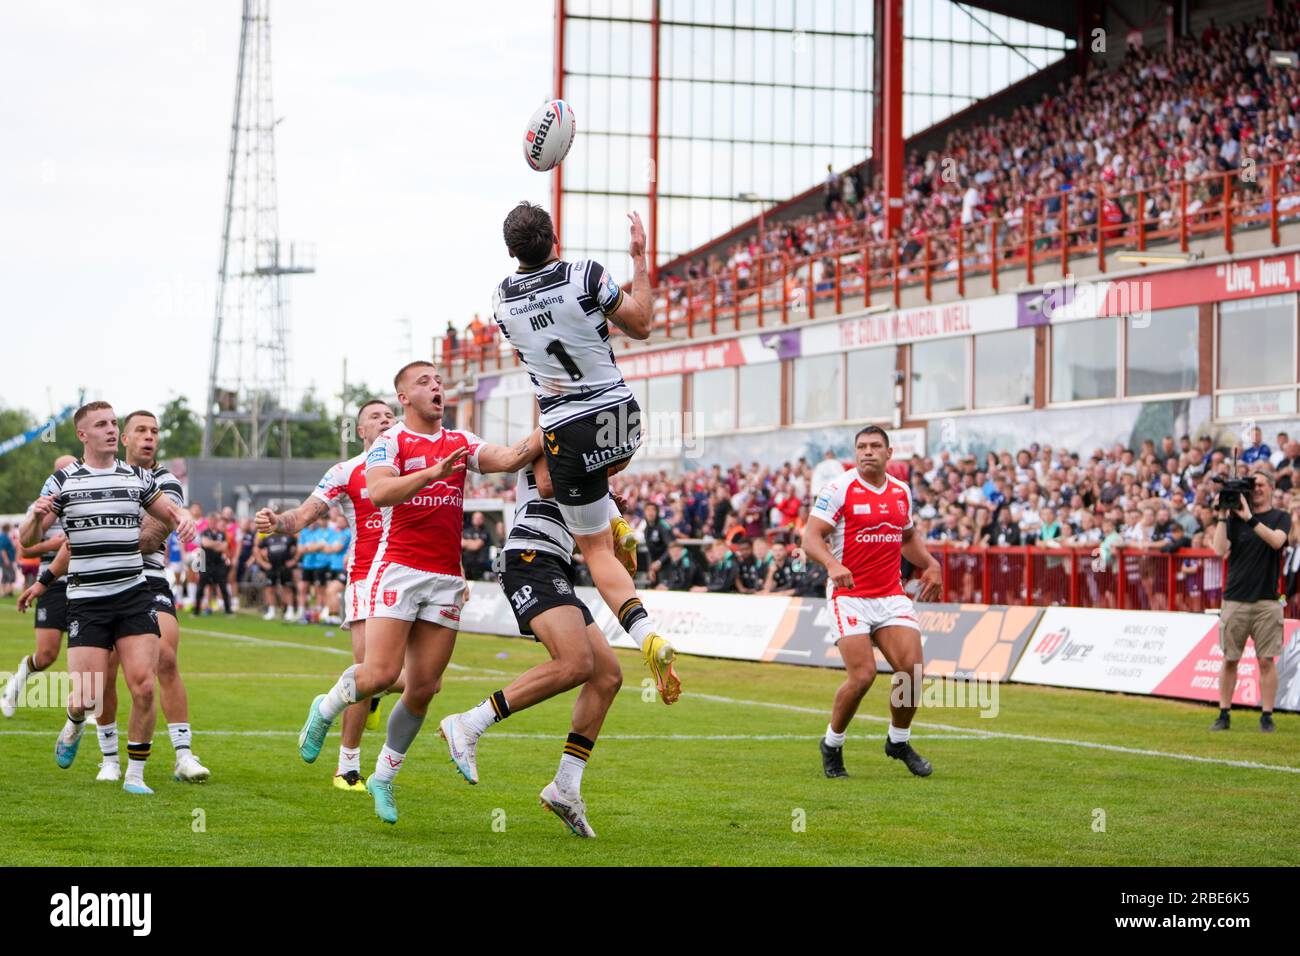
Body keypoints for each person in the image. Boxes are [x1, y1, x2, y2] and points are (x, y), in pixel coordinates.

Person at [295, 361, 542, 825]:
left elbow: (509, 460)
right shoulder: (391, 442)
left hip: (446, 576)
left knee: (425, 687)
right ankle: (324, 708)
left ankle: (384, 778)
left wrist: (554, 419)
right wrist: (431, 473)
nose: (436, 388)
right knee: (381, 673)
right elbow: (381, 491)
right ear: (404, 398)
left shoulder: (461, 441)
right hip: (398, 571)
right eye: (424, 382)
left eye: (438, 382)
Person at [491, 201, 679, 704]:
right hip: (620, 417)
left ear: (511, 251)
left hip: (564, 425)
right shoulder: (586, 273)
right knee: (563, 489)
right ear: (556, 241)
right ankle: (611, 517)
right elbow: (640, 324)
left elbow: (529, 359)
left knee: (589, 541)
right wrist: (640, 259)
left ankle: (644, 632)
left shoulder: (502, 300)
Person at [438, 457, 623, 836]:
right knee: (575, 663)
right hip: (529, 557)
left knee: (607, 676)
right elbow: (548, 481)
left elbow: (607, 545)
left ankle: (565, 787)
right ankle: (469, 723)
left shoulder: (599, 482)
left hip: (557, 567)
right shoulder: (558, 436)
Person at [16, 401, 195, 795]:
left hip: (134, 596)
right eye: (102, 424)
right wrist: (34, 517)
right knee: (87, 696)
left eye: (114, 423)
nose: (111, 430)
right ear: (83, 435)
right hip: (86, 601)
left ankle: (135, 775)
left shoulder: (135, 477)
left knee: (144, 686)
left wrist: (182, 521)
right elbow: (28, 542)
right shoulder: (63, 482)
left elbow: (166, 512)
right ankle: (75, 720)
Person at [256, 398, 397, 791]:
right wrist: (275, 522)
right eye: (375, 417)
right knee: (367, 669)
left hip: (414, 579)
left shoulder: (415, 464)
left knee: (423, 682)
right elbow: (300, 518)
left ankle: (347, 698)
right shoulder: (345, 471)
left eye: (390, 416)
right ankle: (347, 767)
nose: (384, 421)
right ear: (361, 431)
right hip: (368, 577)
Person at [802, 425, 942, 780]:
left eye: (875, 446)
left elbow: (907, 537)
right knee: (863, 676)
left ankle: (898, 741)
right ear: (855, 453)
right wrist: (833, 564)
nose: (868, 451)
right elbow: (811, 537)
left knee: (911, 672)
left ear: (889, 453)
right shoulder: (839, 489)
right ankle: (832, 744)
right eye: (862, 446)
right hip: (849, 597)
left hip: (890, 595)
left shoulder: (901, 492)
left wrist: (931, 564)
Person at [108, 410, 209, 783]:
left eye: (155, 431)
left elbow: (152, 536)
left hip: (148, 577)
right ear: (124, 439)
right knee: (105, 671)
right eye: (141, 430)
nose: (150, 437)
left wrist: (104, 540)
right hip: (102, 582)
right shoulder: (105, 475)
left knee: (165, 657)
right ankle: (108, 758)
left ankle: (183, 755)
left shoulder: (167, 480)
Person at [1210, 470, 1290, 732]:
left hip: (1267, 600)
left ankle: (1267, 716)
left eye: (1260, 485)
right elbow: (1219, 550)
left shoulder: (1280, 517)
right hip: (1235, 599)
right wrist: (1223, 515)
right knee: (1230, 659)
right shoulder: (1234, 518)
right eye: (1252, 485)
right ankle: (1224, 713)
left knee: (1266, 660)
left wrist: (1249, 518)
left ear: (1271, 488)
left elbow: (1277, 542)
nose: (1256, 489)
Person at [2, 456, 76, 720]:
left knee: (93, 650)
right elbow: (24, 547)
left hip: (84, 582)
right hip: (51, 583)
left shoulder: (86, 496)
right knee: (46, 654)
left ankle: (85, 705)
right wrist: (53, 545)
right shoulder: (41, 505)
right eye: (61, 472)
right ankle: (17, 681)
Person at [256, 528, 298, 620]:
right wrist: (263, 563)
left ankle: (290, 611)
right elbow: (257, 549)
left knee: (287, 588)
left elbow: (299, 547)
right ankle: (271, 611)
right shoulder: (268, 538)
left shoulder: (289, 537)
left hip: (284, 566)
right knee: (270, 588)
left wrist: (294, 560)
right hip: (272, 567)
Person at [198, 513, 232, 615]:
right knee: (201, 587)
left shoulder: (221, 534)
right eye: (211, 521)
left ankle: (228, 610)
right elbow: (205, 543)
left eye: (214, 521)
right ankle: (197, 610)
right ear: (208, 522)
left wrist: (212, 544)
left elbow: (224, 547)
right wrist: (217, 544)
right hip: (205, 563)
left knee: (223, 586)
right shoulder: (204, 532)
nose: (213, 523)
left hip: (218, 564)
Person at [461, 511, 493, 581]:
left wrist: (467, 543)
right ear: (472, 519)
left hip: (480, 567)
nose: (478, 520)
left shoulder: (485, 532)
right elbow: (460, 543)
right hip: (466, 566)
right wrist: (471, 543)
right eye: (476, 518)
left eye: (480, 518)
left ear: (483, 520)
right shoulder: (466, 531)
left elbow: (475, 546)